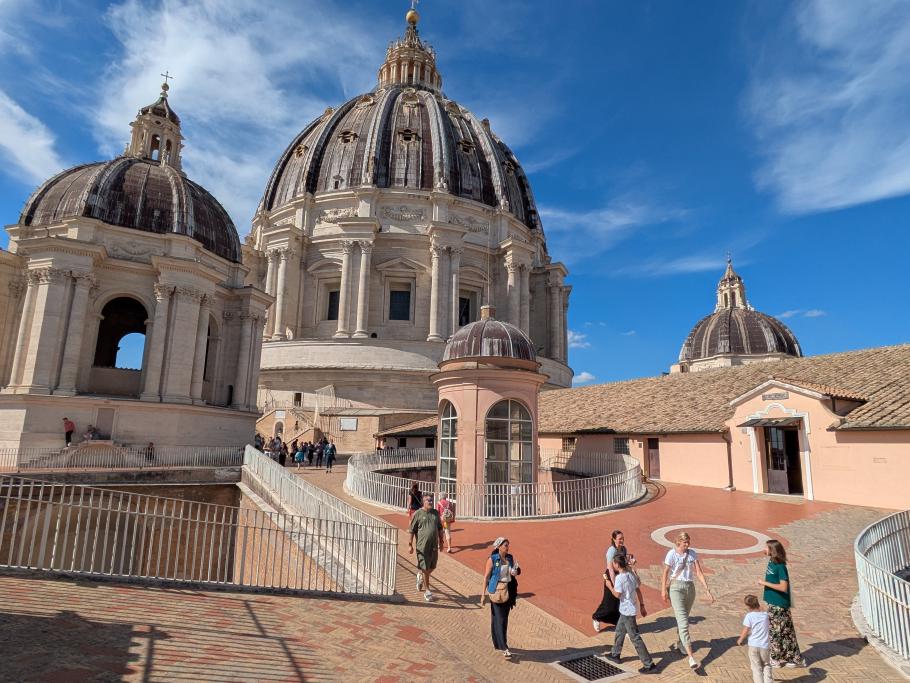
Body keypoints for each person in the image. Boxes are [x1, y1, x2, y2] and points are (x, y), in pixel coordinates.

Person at [661, 531, 714, 670]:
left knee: (683, 619)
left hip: (690, 589)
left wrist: (707, 590)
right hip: (675, 589)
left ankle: (680, 643)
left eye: (688, 542)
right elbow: (665, 572)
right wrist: (663, 590)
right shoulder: (671, 554)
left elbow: (699, 572)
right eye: (685, 542)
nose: (688, 544)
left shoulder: (692, 554)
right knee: (684, 623)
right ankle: (691, 657)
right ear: (679, 542)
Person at [604, 554, 656, 674]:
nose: (613, 564)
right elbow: (638, 590)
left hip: (627, 612)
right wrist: (642, 606)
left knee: (635, 638)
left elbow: (617, 594)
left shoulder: (620, 578)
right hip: (627, 610)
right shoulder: (631, 574)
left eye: (614, 563)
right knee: (619, 631)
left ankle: (649, 664)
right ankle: (615, 654)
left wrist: (609, 586)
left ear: (617, 565)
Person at [759, 540, 806, 668]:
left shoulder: (780, 567)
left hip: (779, 605)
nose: (764, 549)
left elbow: (783, 587)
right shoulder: (771, 562)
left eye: (766, 547)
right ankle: (794, 659)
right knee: (786, 632)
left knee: (776, 632)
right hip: (773, 603)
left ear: (772, 550)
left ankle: (776, 659)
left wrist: (764, 583)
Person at [480, 537, 520, 658]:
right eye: (505, 545)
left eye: (508, 545)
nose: (507, 547)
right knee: (500, 619)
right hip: (496, 591)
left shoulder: (509, 558)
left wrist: (516, 571)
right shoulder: (492, 559)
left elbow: (514, 571)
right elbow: (486, 577)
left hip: (508, 592)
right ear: (499, 547)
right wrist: (483, 595)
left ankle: (498, 643)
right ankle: (504, 647)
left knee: (503, 619)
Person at [593, 529, 636, 633]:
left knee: (618, 603)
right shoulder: (611, 551)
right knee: (608, 603)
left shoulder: (624, 549)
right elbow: (610, 569)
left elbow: (623, 563)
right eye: (620, 539)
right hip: (611, 577)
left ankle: (620, 624)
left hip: (620, 576)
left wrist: (630, 563)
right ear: (613, 539)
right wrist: (613, 583)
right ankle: (596, 617)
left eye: (623, 538)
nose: (622, 540)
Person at [408, 494, 443, 602]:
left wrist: (441, 542)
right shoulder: (418, 514)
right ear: (424, 502)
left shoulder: (435, 513)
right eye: (428, 500)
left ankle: (420, 576)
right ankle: (427, 591)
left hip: (434, 546)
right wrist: (410, 545)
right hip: (422, 547)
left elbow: (440, 528)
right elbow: (412, 530)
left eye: (432, 500)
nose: (431, 502)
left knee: (432, 566)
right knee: (425, 568)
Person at [737, 594, 773, 683]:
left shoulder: (749, 616)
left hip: (753, 645)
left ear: (748, 606)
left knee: (756, 668)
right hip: (765, 645)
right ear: (758, 603)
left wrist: (741, 639)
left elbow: (746, 629)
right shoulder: (765, 615)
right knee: (767, 665)